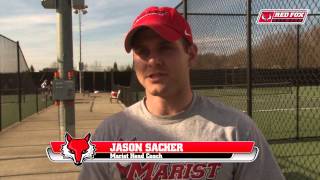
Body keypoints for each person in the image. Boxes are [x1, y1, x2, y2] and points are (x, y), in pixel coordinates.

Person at [79, 6, 285, 180]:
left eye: (165, 48)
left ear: (191, 54)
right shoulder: (109, 134)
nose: (153, 60)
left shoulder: (237, 130)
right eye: (143, 52)